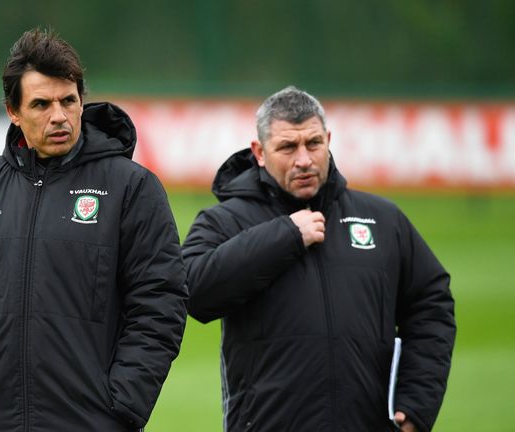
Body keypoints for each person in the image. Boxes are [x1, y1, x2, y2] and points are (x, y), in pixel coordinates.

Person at [0, 28, 188, 432]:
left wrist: (122, 406)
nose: (59, 116)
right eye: (41, 104)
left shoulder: (131, 187)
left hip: (89, 421)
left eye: (68, 101)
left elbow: (160, 303)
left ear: (82, 101)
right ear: (14, 111)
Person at [182, 86, 455, 432]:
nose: (304, 160)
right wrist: (286, 236)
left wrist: (417, 404)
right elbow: (192, 289)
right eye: (287, 147)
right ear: (260, 152)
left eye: (313, 143)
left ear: (328, 139)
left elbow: (431, 305)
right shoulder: (225, 221)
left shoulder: (382, 220)